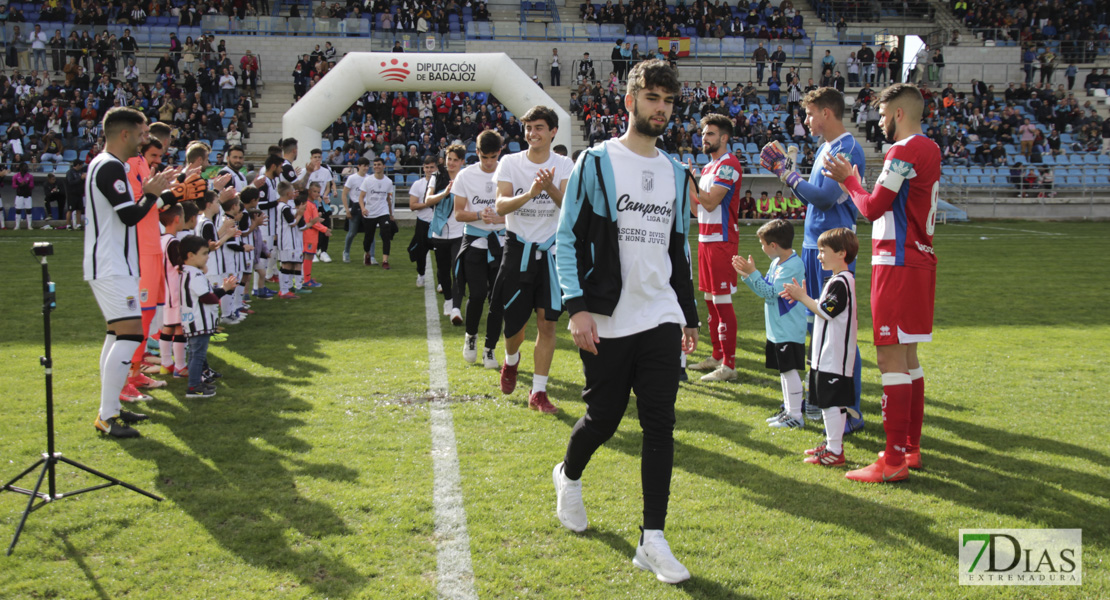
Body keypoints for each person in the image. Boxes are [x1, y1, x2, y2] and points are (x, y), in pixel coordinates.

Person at [553, 58, 698, 585]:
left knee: (660, 423)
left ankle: (652, 540)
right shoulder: (594, 163)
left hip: (659, 314)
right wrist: (576, 307)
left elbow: (678, 249)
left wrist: (689, 315)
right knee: (605, 419)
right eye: (652, 98)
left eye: (668, 101)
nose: (661, 109)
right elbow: (565, 238)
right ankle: (568, 477)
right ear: (630, 100)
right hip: (606, 317)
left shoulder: (677, 173)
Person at [822, 83, 940, 483]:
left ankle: (892, 462)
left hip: (898, 262)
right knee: (909, 360)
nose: (881, 122)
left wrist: (849, 180)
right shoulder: (931, 148)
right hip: (919, 261)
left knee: (890, 360)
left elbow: (872, 208)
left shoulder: (904, 151)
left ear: (899, 115)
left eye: (884, 114)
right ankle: (910, 448)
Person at [760, 87, 865, 431]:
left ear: (826, 114)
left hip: (835, 247)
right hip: (813, 245)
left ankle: (849, 409)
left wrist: (787, 173)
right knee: (813, 326)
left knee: (837, 327)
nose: (806, 120)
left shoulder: (848, 149)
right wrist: (784, 170)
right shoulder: (825, 148)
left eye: (809, 114)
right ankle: (818, 402)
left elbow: (822, 199)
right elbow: (806, 193)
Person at [84, 107, 181, 438]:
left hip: (113, 264)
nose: (145, 139)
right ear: (123, 134)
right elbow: (130, 216)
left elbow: (133, 209)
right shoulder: (110, 166)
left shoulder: (110, 165)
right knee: (130, 335)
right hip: (111, 265)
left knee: (116, 335)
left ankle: (110, 408)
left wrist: (162, 194)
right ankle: (106, 415)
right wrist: (153, 195)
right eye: (141, 134)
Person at [493, 106, 574, 413]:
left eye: (539, 128)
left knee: (548, 323)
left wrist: (548, 187)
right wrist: (529, 193)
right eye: (528, 128)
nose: (532, 133)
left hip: (552, 253)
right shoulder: (511, 162)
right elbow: (500, 206)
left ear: (553, 132)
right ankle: (511, 361)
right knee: (514, 326)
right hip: (518, 250)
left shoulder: (564, 164)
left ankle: (538, 392)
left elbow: (568, 206)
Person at [779, 228, 859, 466]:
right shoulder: (837, 280)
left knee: (831, 402)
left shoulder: (842, 282)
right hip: (826, 355)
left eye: (823, 251)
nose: (818, 256)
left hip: (834, 356)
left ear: (842, 253)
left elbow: (826, 311)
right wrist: (804, 297)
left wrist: (802, 296)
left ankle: (835, 450)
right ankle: (832, 444)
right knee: (827, 401)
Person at [732, 219, 807, 428]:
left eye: (763, 244)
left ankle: (795, 416)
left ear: (773, 245)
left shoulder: (792, 265)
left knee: (789, 370)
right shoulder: (777, 263)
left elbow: (769, 292)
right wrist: (748, 275)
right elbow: (766, 290)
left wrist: (752, 272)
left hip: (789, 328)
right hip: (778, 328)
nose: (762, 248)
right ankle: (789, 410)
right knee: (784, 370)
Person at [687, 114, 742, 382]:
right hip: (705, 239)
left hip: (722, 241)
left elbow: (710, 203)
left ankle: (729, 365)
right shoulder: (708, 167)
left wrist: (691, 179)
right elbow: (697, 210)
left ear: (724, 138)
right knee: (710, 301)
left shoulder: (729, 165)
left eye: (710, 134)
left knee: (722, 302)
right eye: (703, 133)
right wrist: (688, 181)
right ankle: (717, 355)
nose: (704, 138)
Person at [452, 129, 506, 369]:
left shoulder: (509, 173)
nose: (488, 162)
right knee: (476, 295)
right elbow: (458, 213)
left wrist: (501, 218)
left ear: (500, 153)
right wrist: (479, 215)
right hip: (474, 242)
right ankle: (471, 336)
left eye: (493, 157)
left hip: (501, 243)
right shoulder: (465, 176)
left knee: (498, 300)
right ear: (477, 153)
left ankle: (490, 349)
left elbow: (517, 209)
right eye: (484, 157)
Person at [179, 234, 237, 398]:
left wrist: (223, 288)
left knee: (195, 354)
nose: (207, 257)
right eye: (204, 253)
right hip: (199, 322)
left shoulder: (185, 271)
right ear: (190, 255)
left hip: (192, 321)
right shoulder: (194, 274)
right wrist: (224, 290)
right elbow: (207, 297)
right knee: (197, 355)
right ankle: (194, 387)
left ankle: (197, 382)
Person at [427, 147, 465, 321]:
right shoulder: (436, 177)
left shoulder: (466, 178)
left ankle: (456, 308)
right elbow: (428, 200)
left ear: (462, 162)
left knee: (458, 270)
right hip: (439, 232)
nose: (451, 163)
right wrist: (445, 193)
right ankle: (448, 300)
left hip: (460, 233)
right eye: (449, 159)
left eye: (455, 160)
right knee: (443, 271)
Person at [157, 202, 193, 378]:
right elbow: (179, 266)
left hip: (166, 291)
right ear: (177, 220)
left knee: (168, 327)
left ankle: (166, 364)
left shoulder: (161, 239)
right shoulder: (173, 242)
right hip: (175, 291)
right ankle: (180, 365)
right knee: (179, 328)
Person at [357, 157, 396, 269]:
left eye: (378, 164)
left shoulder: (388, 181)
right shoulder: (368, 180)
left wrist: (390, 214)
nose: (376, 167)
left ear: (384, 166)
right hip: (370, 212)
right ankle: (367, 253)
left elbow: (388, 199)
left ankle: (385, 260)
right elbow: (361, 197)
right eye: (374, 165)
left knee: (386, 235)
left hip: (383, 212)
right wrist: (363, 208)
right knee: (368, 238)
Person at [275, 182, 309, 298]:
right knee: (286, 264)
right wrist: (299, 214)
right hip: (286, 241)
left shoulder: (283, 206)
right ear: (288, 193)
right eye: (292, 191)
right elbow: (292, 223)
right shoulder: (283, 207)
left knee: (288, 263)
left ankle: (286, 289)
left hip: (287, 240)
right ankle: (283, 291)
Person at [408, 156, 437, 287]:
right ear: (423, 168)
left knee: (441, 254)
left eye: (432, 167)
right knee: (420, 252)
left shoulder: (442, 183)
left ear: (436, 168)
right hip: (422, 223)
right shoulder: (417, 184)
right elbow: (412, 205)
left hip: (438, 224)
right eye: (427, 167)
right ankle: (421, 274)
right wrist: (427, 203)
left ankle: (442, 281)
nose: (429, 170)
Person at [304, 148, 336, 263]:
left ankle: (323, 251)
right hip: (311, 203)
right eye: (315, 157)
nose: (317, 159)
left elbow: (327, 186)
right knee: (312, 226)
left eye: (319, 157)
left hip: (322, 202)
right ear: (311, 158)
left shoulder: (325, 171)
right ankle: (311, 251)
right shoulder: (306, 171)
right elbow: (304, 188)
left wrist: (325, 196)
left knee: (325, 224)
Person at [341, 157, 370, 262]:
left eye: (367, 166)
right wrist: (347, 210)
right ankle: (346, 252)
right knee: (352, 232)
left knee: (369, 232)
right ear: (359, 166)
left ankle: (370, 255)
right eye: (364, 166)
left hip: (367, 207)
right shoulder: (352, 178)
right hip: (355, 206)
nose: (366, 168)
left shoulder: (369, 178)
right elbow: (344, 194)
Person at [301, 184, 330, 287]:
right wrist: (324, 229)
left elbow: (313, 220)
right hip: (308, 234)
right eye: (315, 192)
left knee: (309, 256)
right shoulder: (308, 204)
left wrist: (318, 220)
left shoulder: (312, 204)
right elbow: (310, 221)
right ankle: (306, 280)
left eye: (318, 192)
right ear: (309, 191)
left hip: (312, 235)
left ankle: (307, 278)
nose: (317, 194)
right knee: (307, 256)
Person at [11, 162, 33, 230]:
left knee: (28, 210)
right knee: (18, 210)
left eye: (26, 167)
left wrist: (26, 184)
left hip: (27, 196)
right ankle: (17, 225)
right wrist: (20, 185)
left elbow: (32, 186)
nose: (26, 168)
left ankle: (29, 225)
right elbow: (13, 186)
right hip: (19, 195)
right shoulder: (16, 176)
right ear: (20, 168)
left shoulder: (30, 176)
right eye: (24, 167)